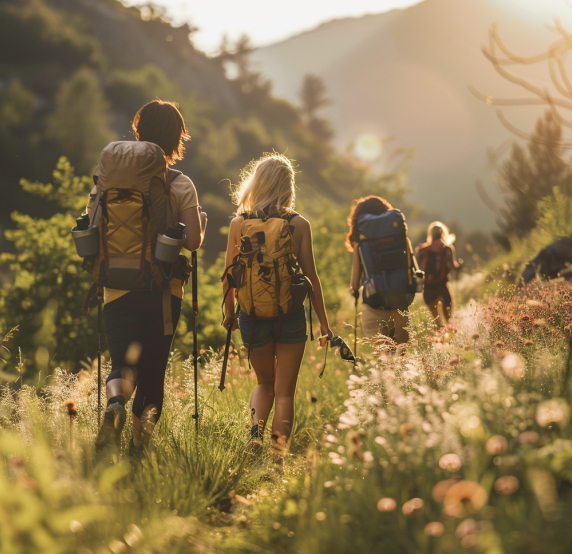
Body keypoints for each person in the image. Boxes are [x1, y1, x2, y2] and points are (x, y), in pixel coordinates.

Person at [94, 100, 207, 455]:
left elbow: (92, 225)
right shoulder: (180, 182)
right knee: (153, 372)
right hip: (162, 293)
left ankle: (114, 404)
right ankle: (137, 454)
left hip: (116, 286)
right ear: (176, 138)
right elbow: (192, 242)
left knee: (121, 365)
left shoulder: (109, 180)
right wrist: (201, 222)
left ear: (139, 130)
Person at [222, 153, 332, 462]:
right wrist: (324, 323)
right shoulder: (298, 224)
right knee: (285, 391)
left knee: (263, 383)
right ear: (288, 187)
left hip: (252, 316)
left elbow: (229, 275)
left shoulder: (239, 223)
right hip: (290, 315)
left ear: (257, 184)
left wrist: (229, 313)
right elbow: (311, 277)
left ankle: (255, 435)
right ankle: (278, 459)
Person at [346, 196, 414, 345]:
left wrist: (354, 291)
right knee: (401, 361)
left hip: (374, 307)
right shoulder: (401, 239)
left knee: (383, 361)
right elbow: (413, 269)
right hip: (400, 306)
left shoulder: (360, 246)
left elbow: (355, 285)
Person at [416, 221, 461, 326]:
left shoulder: (422, 250)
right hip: (442, 287)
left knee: (437, 323)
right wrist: (459, 265)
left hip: (428, 289)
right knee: (448, 320)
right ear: (443, 233)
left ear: (430, 234)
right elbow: (454, 268)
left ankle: (440, 340)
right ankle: (450, 340)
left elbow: (418, 270)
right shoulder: (447, 248)